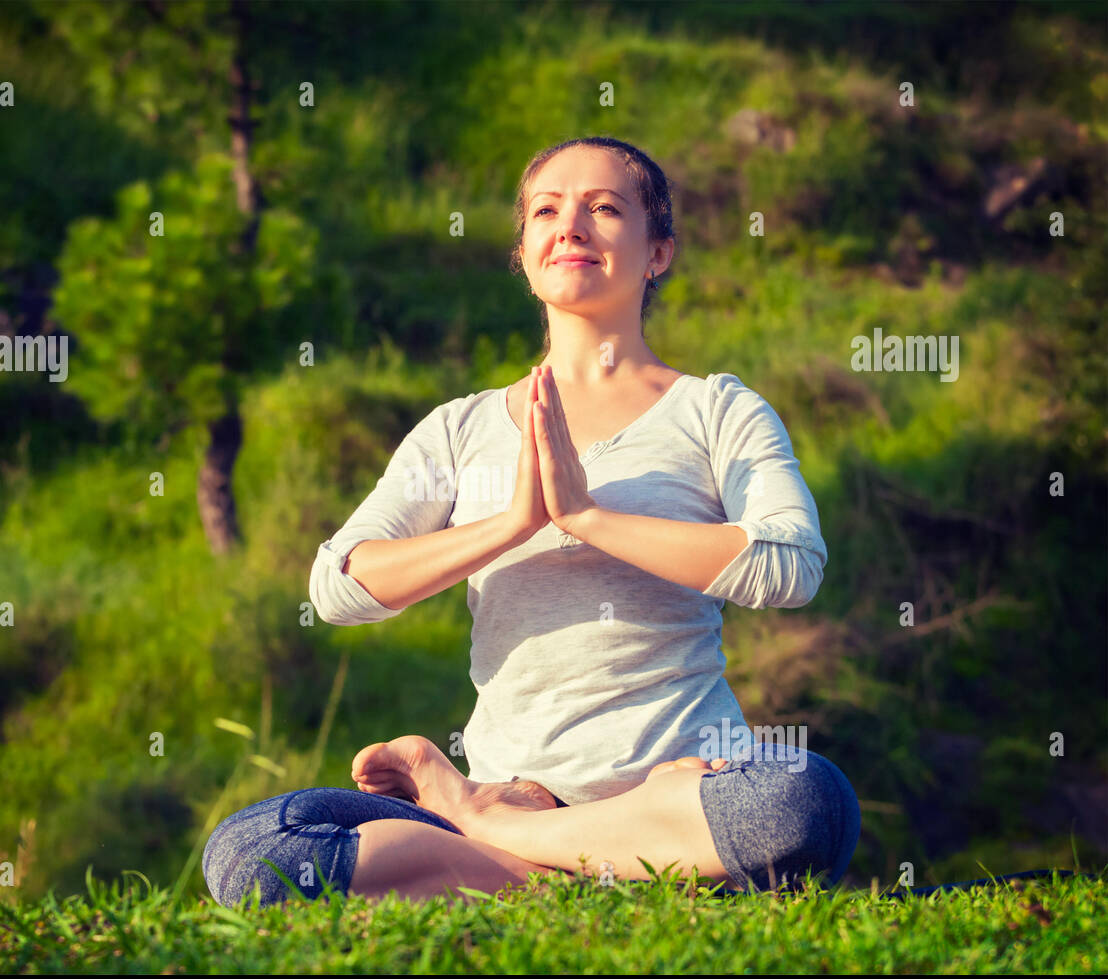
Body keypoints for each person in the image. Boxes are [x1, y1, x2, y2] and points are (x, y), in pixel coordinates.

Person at [203, 136, 861, 909]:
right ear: (524, 253)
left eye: (606, 208)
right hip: (530, 788)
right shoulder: (461, 428)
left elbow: (790, 563)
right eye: (547, 210)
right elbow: (337, 583)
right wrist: (511, 523)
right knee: (253, 849)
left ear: (659, 252)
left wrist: (588, 515)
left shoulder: (716, 410)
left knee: (801, 802)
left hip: (676, 793)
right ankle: (593, 866)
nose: (572, 225)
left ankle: (492, 838)